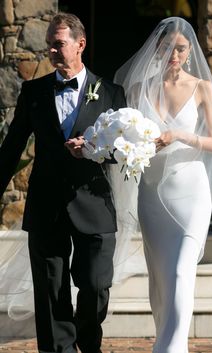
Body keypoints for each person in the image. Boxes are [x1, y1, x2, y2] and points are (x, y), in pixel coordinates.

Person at [0, 12, 126, 353]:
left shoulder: (112, 93)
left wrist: (92, 150)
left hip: (94, 203)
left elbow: (123, 151)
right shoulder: (34, 91)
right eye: (49, 46)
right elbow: (11, 148)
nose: (53, 52)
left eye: (59, 44)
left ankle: (88, 342)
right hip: (47, 205)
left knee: (97, 284)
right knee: (51, 289)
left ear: (80, 44)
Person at [113, 17, 212, 353]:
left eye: (180, 48)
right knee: (160, 282)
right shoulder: (137, 89)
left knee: (179, 272)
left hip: (191, 193)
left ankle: (170, 350)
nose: (173, 53)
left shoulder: (203, 87)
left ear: (189, 50)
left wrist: (179, 136)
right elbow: (125, 139)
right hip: (152, 196)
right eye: (167, 47)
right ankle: (166, 336)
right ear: (157, 49)